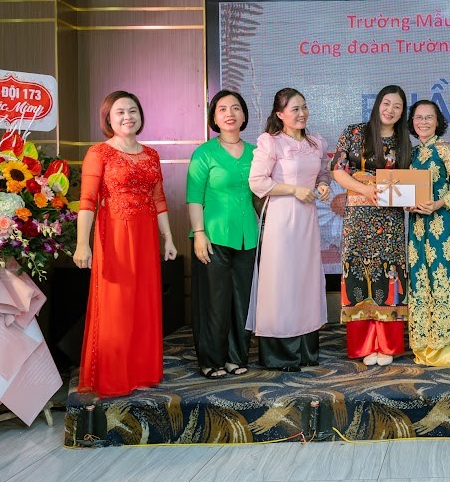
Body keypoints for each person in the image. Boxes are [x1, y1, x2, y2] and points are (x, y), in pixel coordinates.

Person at [73, 91, 177, 397]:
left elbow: (159, 199)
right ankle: (114, 376)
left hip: (146, 237)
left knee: (144, 303)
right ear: (108, 118)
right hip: (114, 235)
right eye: (120, 112)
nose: (127, 117)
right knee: (116, 305)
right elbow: (87, 201)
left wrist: (168, 238)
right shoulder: (99, 153)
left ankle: (142, 372)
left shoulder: (151, 154)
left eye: (133, 111)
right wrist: (82, 244)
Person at [247, 88, 331, 372]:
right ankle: (281, 352)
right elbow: (257, 181)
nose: (302, 113)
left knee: (305, 278)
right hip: (281, 218)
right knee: (281, 279)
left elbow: (322, 173)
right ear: (280, 114)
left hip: (307, 218)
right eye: (295, 109)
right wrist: (294, 190)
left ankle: (305, 349)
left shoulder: (315, 143)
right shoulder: (271, 142)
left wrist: (322, 185)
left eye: (304, 107)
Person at [331, 85, 412, 366]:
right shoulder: (355, 132)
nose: (390, 110)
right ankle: (364, 345)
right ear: (377, 104)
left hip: (389, 219)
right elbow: (337, 170)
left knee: (388, 276)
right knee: (358, 274)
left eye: (397, 107)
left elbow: (409, 181)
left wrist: (410, 199)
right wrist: (365, 190)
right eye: (386, 103)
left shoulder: (404, 142)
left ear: (402, 113)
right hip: (358, 217)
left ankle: (387, 345)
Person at [187, 89, 259, 379]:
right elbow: (194, 198)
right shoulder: (204, 153)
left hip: (248, 237)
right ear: (214, 118)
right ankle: (211, 360)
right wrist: (199, 233)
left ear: (244, 115)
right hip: (212, 237)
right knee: (214, 302)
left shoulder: (256, 152)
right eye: (222, 109)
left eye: (236, 108)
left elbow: (261, 194)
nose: (230, 114)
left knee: (242, 301)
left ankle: (235, 357)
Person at [406, 100, 450, 366]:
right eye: (418, 117)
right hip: (417, 227)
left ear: (438, 121)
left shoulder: (445, 149)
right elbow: (403, 189)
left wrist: (438, 203)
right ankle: (424, 345)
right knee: (420, 279)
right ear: (412, 122)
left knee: (443, 277)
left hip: (441, 224)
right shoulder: (409, 153)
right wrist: (407, 203)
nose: (423, 122)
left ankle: (446, 348)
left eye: (428, 117)